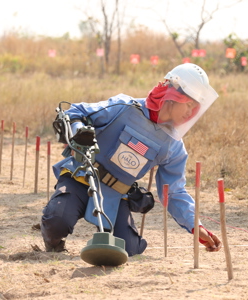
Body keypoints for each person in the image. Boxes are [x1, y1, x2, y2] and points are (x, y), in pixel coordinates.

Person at [41, 63, 222, 256]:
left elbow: (175, 191)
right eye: (188, 105)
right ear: (173, 97)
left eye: (195, 108)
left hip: (115, 195)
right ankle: (53, 241)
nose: (190, 113)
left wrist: (195, 226)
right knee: (57, 222)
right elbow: (75, 112)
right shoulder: (123, 107)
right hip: (80, 178)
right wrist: (79, 131)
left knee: (128, 250)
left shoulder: (174, 146)